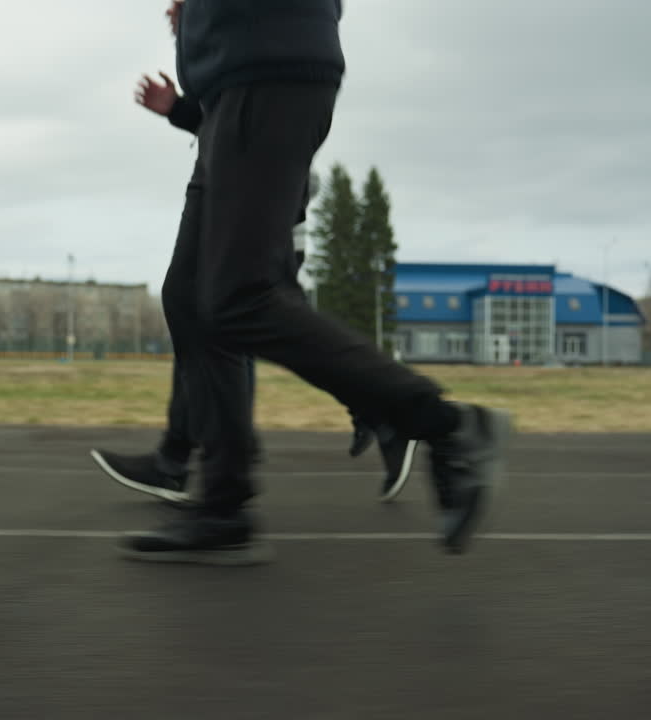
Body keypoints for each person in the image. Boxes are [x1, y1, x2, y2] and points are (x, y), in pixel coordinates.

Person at [119, 0, 512, 565]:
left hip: (268, 73)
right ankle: (223, 507)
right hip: (231, 90)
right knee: (189, 301)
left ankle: (448, 426)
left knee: (241, 298)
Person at [90, 69, 415, 507]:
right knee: (205, 324)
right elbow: (229, 129)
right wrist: (181, 109)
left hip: (265, 219)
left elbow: (260, 138)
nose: (172, 11)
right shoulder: (232, 62)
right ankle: (183, 458)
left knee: (230, 327)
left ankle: (391, 410)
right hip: (254, 212)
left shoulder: (253, 55)